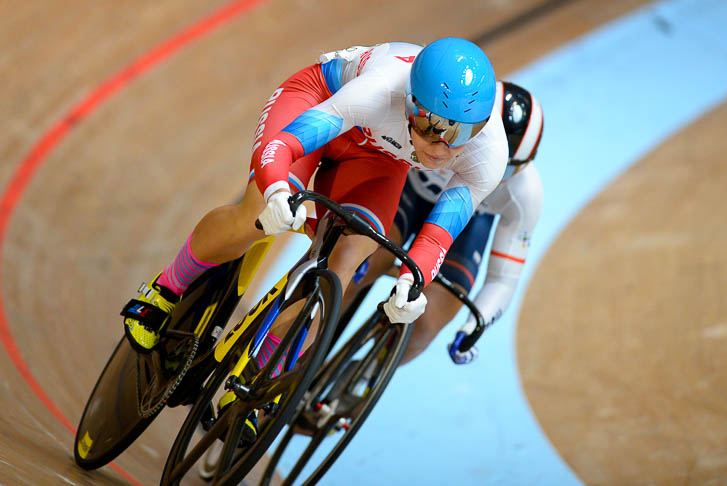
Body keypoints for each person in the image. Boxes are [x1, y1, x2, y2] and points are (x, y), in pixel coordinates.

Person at [120, 37, 508, 359]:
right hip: (320, 103)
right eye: (431, 127)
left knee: (344, 265)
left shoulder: (488, 155)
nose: (442, 148)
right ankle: (164, 290)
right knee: (255, 215)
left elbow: (438, 236)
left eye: (461, 133)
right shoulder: (380, 89)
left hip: (377, 156)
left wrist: (412, 280)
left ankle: (258, 376)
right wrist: (274, 189)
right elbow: (285, 146)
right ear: (410, 104)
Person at [346, 80, 544, 365]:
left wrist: (475, 326)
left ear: (526, 165)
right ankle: (301, 351)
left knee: (424, 324)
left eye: (510, 167)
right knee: (359, 263)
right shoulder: (439, 128)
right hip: (408, 193)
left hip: (464, 226)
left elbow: (503, 278)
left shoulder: (526, 193)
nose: (497, 172)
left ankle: (362, 377)